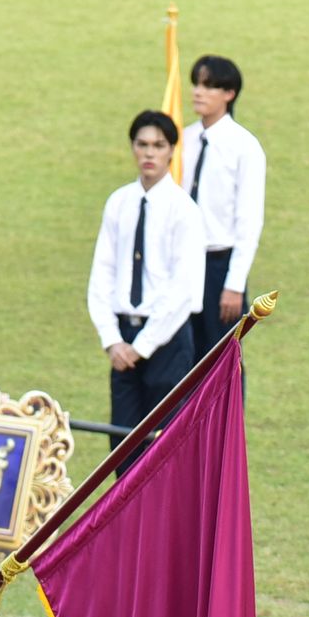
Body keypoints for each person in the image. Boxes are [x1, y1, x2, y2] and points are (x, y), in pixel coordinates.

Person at [88, 110, 204, 437]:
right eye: (142, 145)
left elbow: (182, 288)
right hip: (124, 336)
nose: (149, 153)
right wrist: (113, 340)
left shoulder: (184, 210)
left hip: (166, 339)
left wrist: (142, 347)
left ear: (171, 151)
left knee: (163, 442)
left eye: (158, 145)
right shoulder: (119, 202)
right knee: (122, 441)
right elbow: (102, 272)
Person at [179, 56, 267, 359]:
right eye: (196, 84)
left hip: (217, 263)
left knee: (220, 360)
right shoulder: (182, 140)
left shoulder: (244, 146)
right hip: (181, 262)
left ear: (229, 93)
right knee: (182, 356)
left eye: (208, 86)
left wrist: (234, 283)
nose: (198, 92)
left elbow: (249, 219)